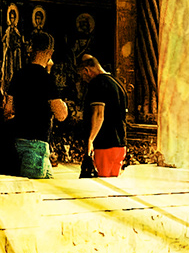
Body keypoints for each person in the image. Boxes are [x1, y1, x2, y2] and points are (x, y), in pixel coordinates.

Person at [9, 32, 67, 178]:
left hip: (19, 141)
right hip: (36, 144)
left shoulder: (18, 75)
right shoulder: (47, 79)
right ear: (50, 53)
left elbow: (7, 109)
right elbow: (61, 115)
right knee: (34, 188)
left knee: (48, 187)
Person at [77, 51, 129, 179]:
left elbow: (98, 114)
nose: (83, 79)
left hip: (105, 146)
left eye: (82, 75)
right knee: (111, 182)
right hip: (120, 145)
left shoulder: (97, 83)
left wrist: (90, 140)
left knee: (100, 183)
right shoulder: (117, 83)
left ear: (87, 70)